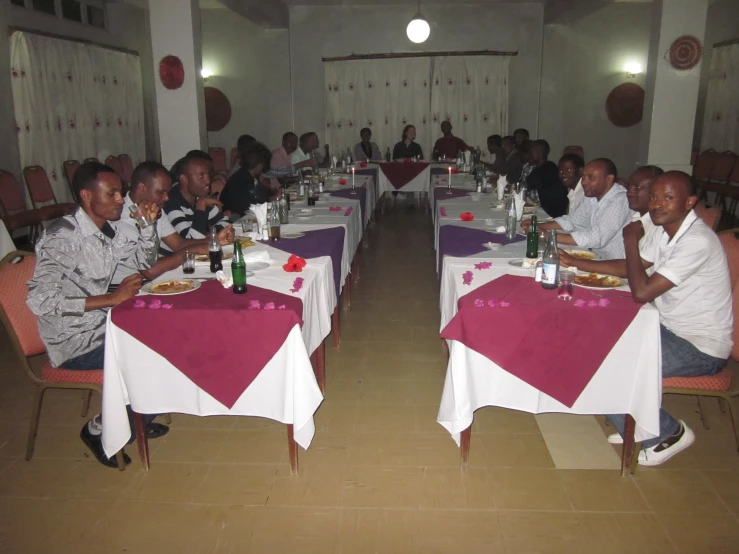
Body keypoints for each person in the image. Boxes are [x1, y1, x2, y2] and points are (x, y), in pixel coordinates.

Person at [26, 161, 168, 468]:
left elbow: (144, 262)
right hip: (73, 341)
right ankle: (101, 429)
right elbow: (40, 299)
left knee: (173, 338)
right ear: (87, 195)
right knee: (156, 359)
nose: (121, 199)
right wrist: (111, 298)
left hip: (105, 325)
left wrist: (146, 226)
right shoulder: (62, 236)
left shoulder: (108, 231)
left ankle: (134, 420)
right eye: (113, 193)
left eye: (121, 191)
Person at [606, 171, 733, 466]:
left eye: (668, 198)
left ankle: (668, 433)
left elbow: (642, 291)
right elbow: (633, 267)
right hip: (666, 328)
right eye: (654, 197)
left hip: (699, 348)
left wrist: (630, 239)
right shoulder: (667, 231)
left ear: (689, 202)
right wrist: (572, 262)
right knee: (597, 343)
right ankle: (634, 423)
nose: (657, 205)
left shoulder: (696, 241)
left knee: (611, 366)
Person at [113, 161, 234, 283]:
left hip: (154, 279)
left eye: (167, 192)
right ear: (142, 188)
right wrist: (195, 250)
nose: (166, 198)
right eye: (161, 192)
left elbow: (178, 244)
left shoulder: (152, 207)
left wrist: (215, 240)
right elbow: (150, 271)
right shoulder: (122, 221)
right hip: (133, 288)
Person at [559, 165, 664, 275]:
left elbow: (629, 268)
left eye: (637, 188)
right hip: (611, 267)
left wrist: (573, 261)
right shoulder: (637, 217)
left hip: (631, 280)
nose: (630, 192)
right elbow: (574, 220)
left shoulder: (659, 226)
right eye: (630, 186)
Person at [523, 158, 631, 260]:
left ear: (609, 179)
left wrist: (549, 235)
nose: (584, 182)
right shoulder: (592, 195)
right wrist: (536, 226)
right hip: (594, 256)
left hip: (614, 264)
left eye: (591, 178)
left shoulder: (620, 200)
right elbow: (573, 221)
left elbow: (597, 238)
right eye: (583, 177)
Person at [164, 152, 231, 240]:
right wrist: (201, 205)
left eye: (208, 175)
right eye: (201, 176)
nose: (207, 181)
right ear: (184, 179)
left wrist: (210, 234)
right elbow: (191, 240)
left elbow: (226, 222)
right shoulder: (171, 202)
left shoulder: (198, 196)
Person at [220, 143, 272, 217]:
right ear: (260, 166)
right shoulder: (241, 181)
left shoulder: (243, 175)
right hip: (235, 222)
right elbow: (249, 207)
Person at [525, 139, 568, 218]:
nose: (528, 155)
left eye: (530, 152)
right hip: (550, 210)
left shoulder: (545, 170)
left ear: (537, 153)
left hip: (552, 214)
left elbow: (525, 185)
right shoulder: (549, 166)